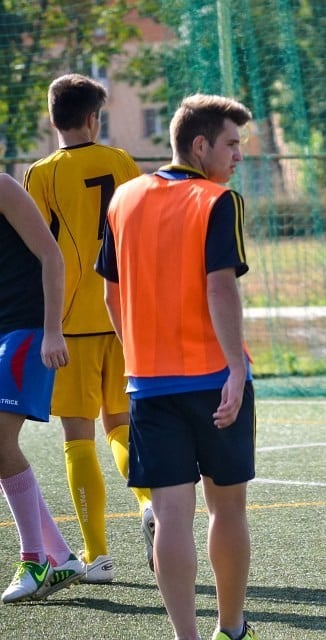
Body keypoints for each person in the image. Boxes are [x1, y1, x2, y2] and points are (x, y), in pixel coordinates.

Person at [95, 94, 258, 640]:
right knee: (227, 508)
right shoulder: (218, 201)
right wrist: (235, 368)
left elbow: (110, 296)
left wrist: (137, 352)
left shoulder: (124, 199)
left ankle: (184, 636)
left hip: (148, 383)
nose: (238, 155)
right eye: (231, 144)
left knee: (169, 514)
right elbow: (220, 287)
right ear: (199, 145)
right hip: (214, 381)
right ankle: (230, 630)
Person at [23, 73, 152, 584]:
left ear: (51, 118)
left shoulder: (42, 173)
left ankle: (97, 556)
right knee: (120, 423)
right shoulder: (122, 162)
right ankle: (148, 502)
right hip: (122, 315)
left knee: (77, 437)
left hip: (70, 322)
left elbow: (37, 250)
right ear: (95, 117)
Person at [0, 174, 85, 604]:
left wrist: (54, 331)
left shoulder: (2, 187)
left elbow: (52, 258)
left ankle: (35, 561)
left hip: (27, 330)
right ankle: (60, 556)